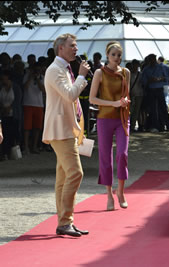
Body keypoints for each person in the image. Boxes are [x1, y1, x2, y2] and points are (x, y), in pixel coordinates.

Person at [42, 33, 91, 237]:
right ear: (60, 48)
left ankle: (64, 221)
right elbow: (70, 95)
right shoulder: (55, 70)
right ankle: (65, 221)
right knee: (75, 173)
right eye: (72, 45)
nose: (76, 48)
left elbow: (71, 99)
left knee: (63, 178)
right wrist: (81, 76)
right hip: (60, 130)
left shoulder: (62, 68)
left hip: (66, 128)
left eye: (76, 45)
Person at [89, 41, 131, 211]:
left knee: (122, 154)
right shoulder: (100, 73)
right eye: (113, 55)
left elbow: (127, 95)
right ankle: (108, 195)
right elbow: (92, 99)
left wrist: (125, 101)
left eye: (119, 55)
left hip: (122, 117)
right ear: (107, 55)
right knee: (105, 157)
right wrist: (112, 104)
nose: (116, 58)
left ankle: (120, 191)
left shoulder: (126, 72)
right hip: (105, 118)